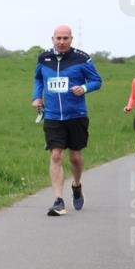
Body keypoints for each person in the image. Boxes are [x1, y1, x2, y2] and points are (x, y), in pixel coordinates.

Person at [31, 25, 103, 216]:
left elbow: (97, 81)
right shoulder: (44, 58)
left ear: (71, 39)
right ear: (52, 39)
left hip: (76, 114)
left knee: (75, 157)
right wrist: (37, 97)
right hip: (53, 115)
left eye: (65, 38)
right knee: (56, 155)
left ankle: (76, 185)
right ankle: (58, 200)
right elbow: (38, 79)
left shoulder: (82, 58)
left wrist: (84, 88)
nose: (61, 42)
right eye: (58, 38)